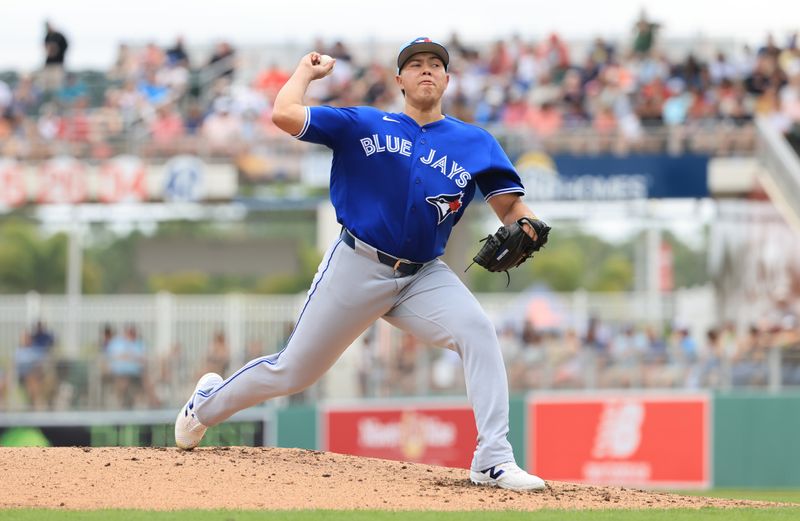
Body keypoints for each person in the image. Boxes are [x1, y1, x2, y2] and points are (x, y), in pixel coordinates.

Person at [175, 37, 547, 491]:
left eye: (435, 64)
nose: (426, 70)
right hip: (357, 263)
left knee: (479, 333)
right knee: (294, 371)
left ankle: (492, 458)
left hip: (422, 275)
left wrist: (527, 223)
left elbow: (511, 208)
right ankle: (205, 404)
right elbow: (284, 114)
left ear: (447, 79)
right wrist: (305, 74)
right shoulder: (363, 123)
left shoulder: (475, 142)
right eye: (416, 65)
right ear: (399, 80)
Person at [42, 21, 69, 91]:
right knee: (46, 83)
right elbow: (45, 47)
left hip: (58, 63)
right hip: (49, 64)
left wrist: (57, 50)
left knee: (57, 84)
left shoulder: (59, 36)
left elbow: (65, 46)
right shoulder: (47, 36)